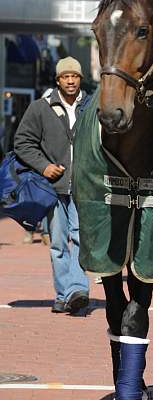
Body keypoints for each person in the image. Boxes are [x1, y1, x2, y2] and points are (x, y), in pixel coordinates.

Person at [14, 57, 90, 314]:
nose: (71, 80)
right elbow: (23, 142)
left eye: (75, 76)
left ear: (80, 79)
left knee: (81, 239)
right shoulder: (40, 108)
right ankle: (64, 294)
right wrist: (43, 166)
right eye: (65, 76)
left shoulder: (91, 107)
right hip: (52, 188)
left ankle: (77, 290)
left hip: (82, 187)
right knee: (58, 243)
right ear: (58, 80)